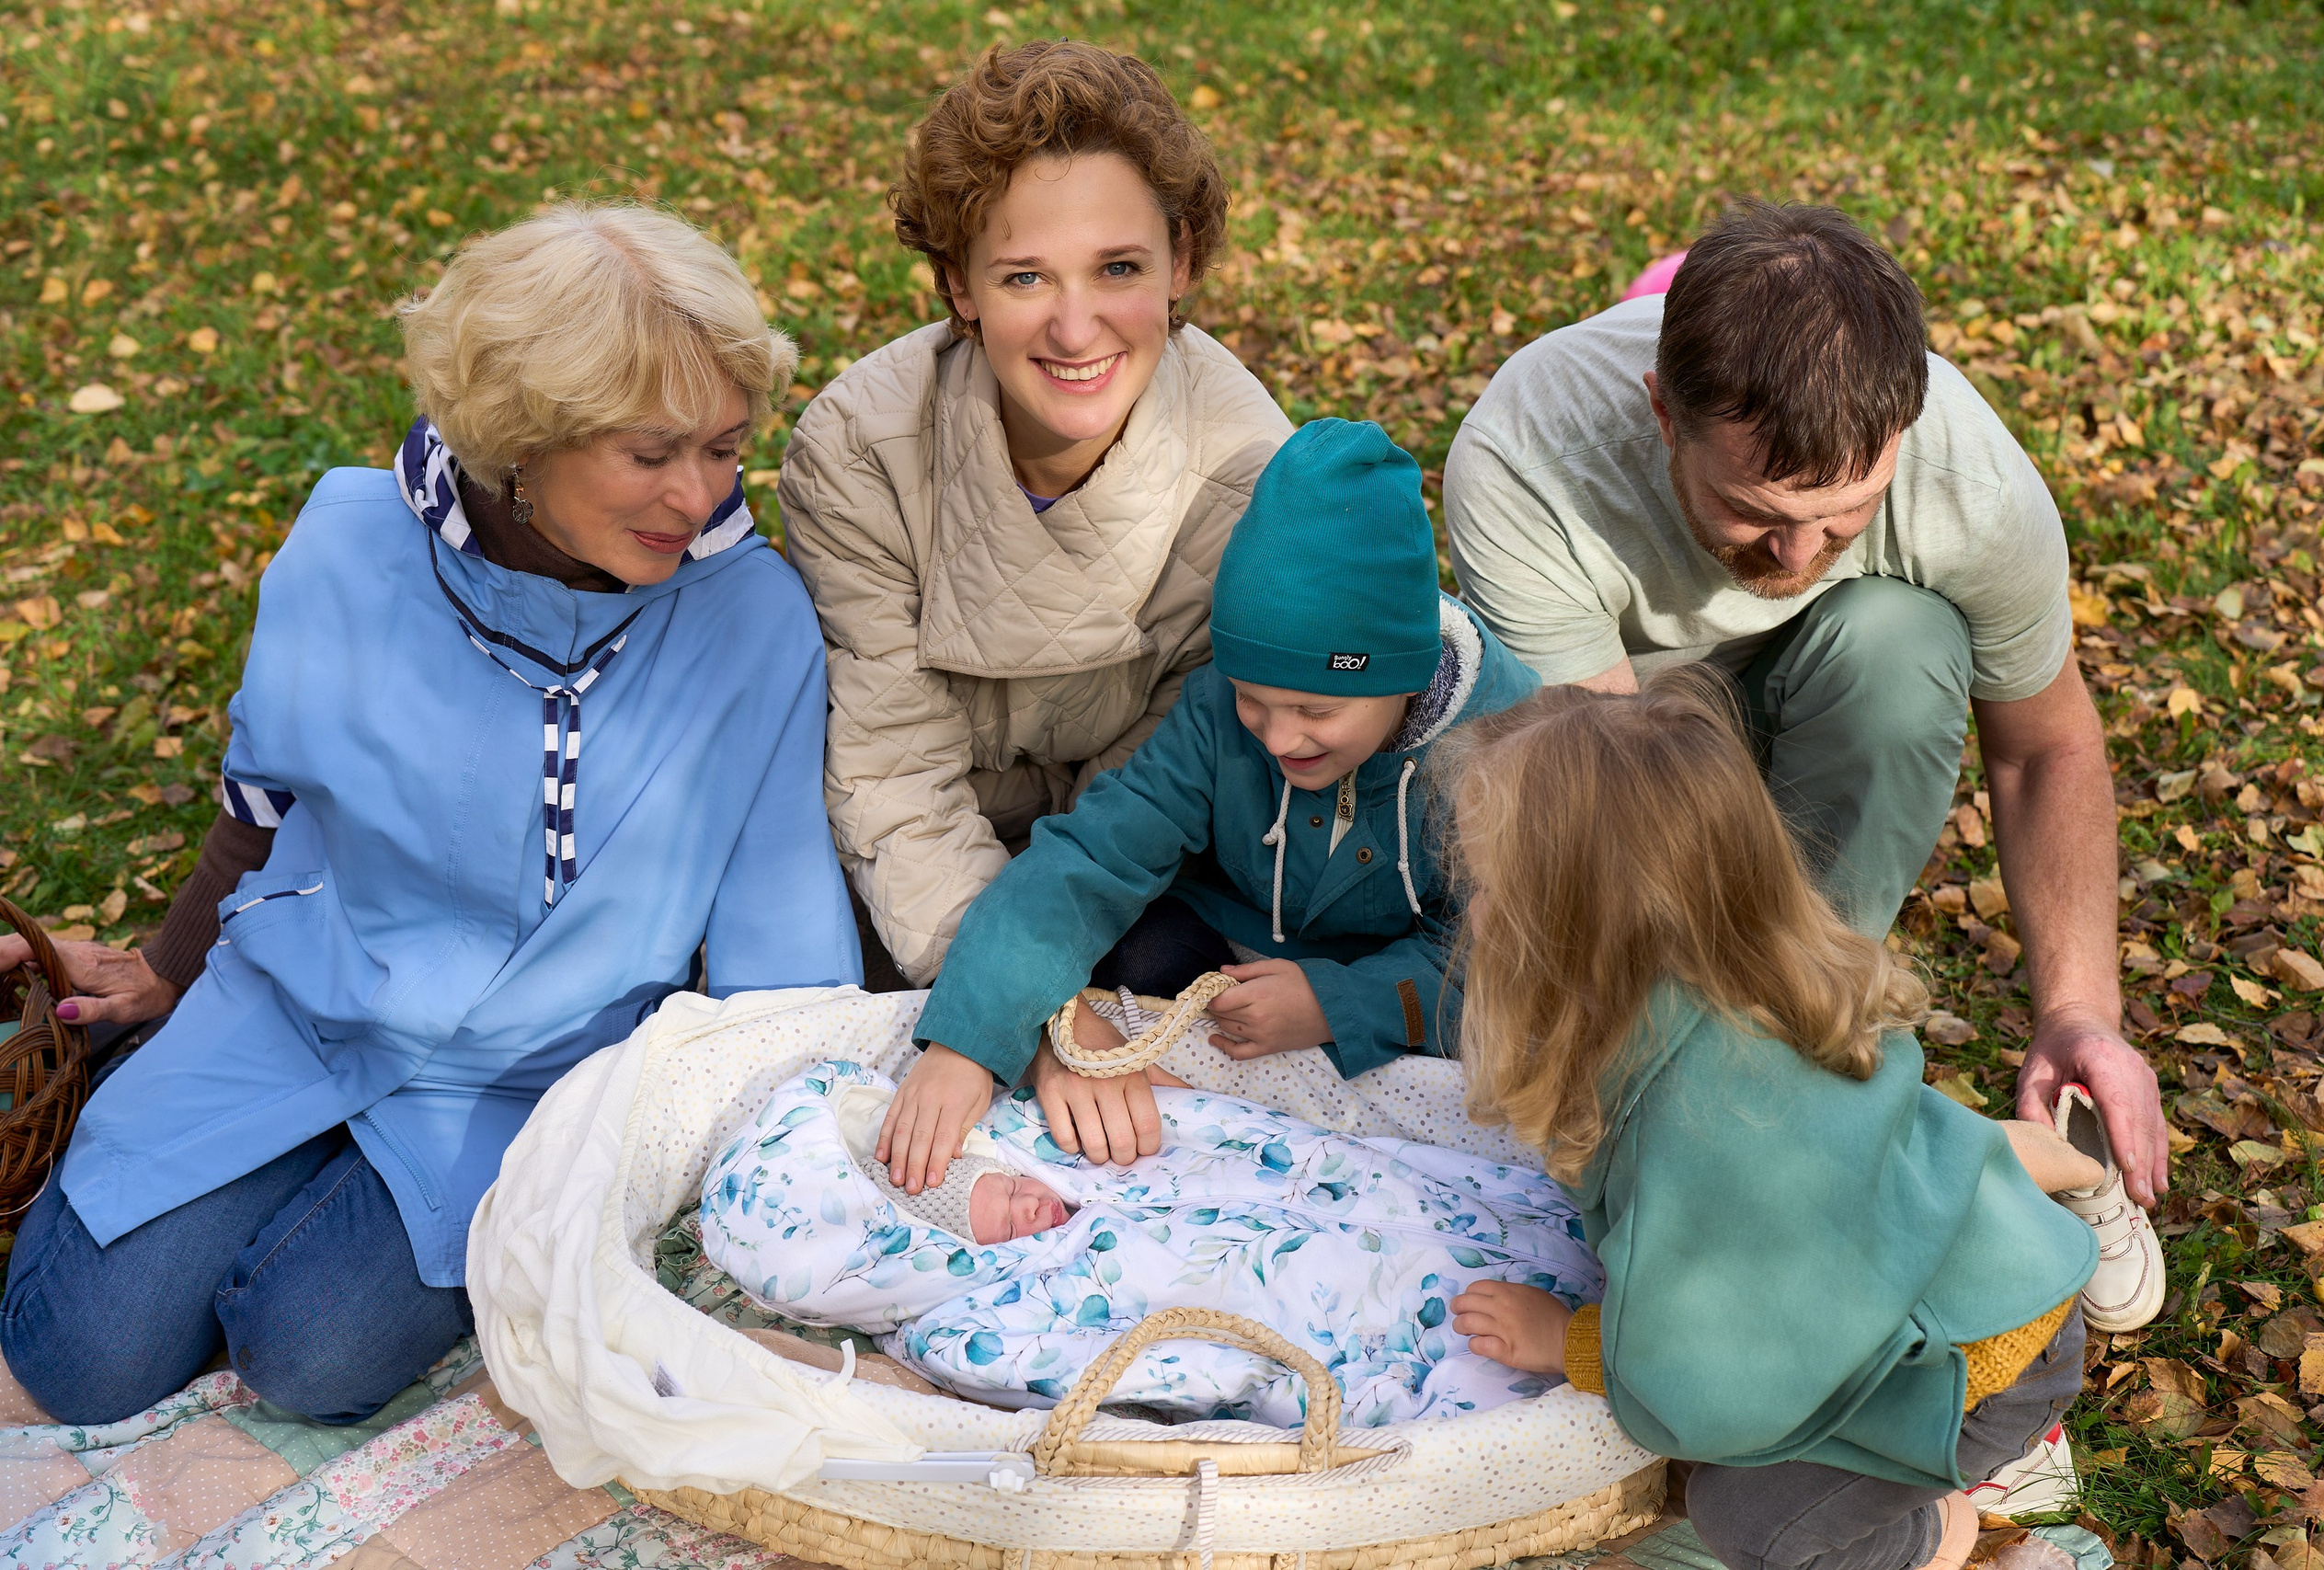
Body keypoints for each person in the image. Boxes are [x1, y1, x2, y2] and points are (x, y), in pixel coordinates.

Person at [0, 203, 858, 1426]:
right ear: (524, 439)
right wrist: (167, 968)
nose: (697, 492)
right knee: (81, 1358)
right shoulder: (349, 544)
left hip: (531, 1079)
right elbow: (261, 800)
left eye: (723, 447)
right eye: (651, 452)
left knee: (312, 1357)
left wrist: (797, 1163)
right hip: (297, 1008)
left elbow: (782, 935)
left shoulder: (752, 619)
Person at [1440, 201, 2169, 1241]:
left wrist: (2080, 1012)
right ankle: (1714, 1092)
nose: (1795, 555)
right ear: (1663, 414)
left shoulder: (1971, 484)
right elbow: (1606, 809)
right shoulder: (1531, 453)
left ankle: (1808, 1033)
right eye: (1754, 511)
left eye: (1845, 514)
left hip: (1824, 694)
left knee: (1903, 640)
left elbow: (2045, 747)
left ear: (1901, 433)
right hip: (1620, 738)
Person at [1437, 677, 2101, 1570]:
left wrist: (1570, 1343)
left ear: (1583, 920)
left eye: (1489, 887)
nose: (1472, 912)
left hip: (1970, 1368)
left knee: (1750, 1519)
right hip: (1963, 1288)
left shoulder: (1708, 1116)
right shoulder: (1718, 978)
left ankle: (1935, 1535)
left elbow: (1711, 1373)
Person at [876, 418, 1540, 1194]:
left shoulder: (1510, 750)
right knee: (1134, 956)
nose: (1279, 738)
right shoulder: (1217, 709)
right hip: (1231, 936)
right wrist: (968, 1039)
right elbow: (1095, 857)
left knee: (1502, 1043)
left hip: (1397, 972)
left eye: (1317, 710)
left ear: (1407, 675)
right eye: (1253, 700)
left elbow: (1514, 956)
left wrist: (1340, 1004)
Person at [780, 40, 1292, 996]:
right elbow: (891, 770)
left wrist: (1050, 967)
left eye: (1118, 268)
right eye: (1024, 277)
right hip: (907, 865)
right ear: (958, 284)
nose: (1075, 327)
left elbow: (1163, 783)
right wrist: (1005, 1001)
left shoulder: (1247, 470)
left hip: (1131, 865)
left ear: (1180, 262)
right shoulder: (860, 450)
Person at [703, 1055, 1601, 1424]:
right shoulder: (971, 1326)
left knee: (1427, 1192)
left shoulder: (1042, 1149)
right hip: (1346, 1322)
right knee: (1453, 1330)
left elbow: (1224, 1133)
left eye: (1008, 1186)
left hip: (1379, 1202)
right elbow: (1143, 1369)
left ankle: (1586, 1288)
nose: (1029, 1207)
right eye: (1000, 1219)